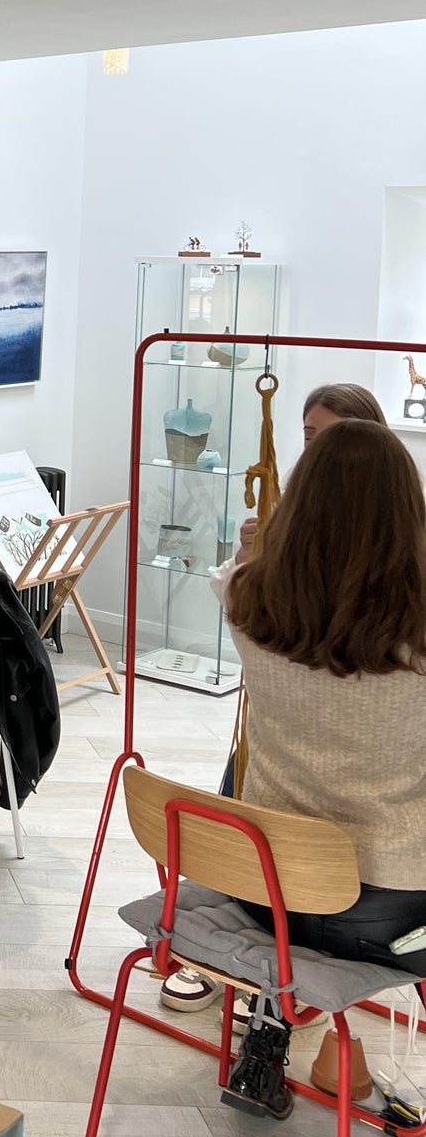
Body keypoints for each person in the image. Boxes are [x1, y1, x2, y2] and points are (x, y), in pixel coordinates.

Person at [213, 420, 426, 1121]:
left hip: (265, 890)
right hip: (390, 914)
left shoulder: (245, 600)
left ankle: (268, 1032)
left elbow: (240, 573)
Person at [161, 381, 392, 1015]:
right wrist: (255, 560)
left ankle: (260, 967)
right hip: (300, 740)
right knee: (251, 766)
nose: (315, 452)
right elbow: (245, 598)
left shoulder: (392, 556)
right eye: (310, 437)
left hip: (360, 768)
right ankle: (242, 957)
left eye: (330, 440)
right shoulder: (281, 539)